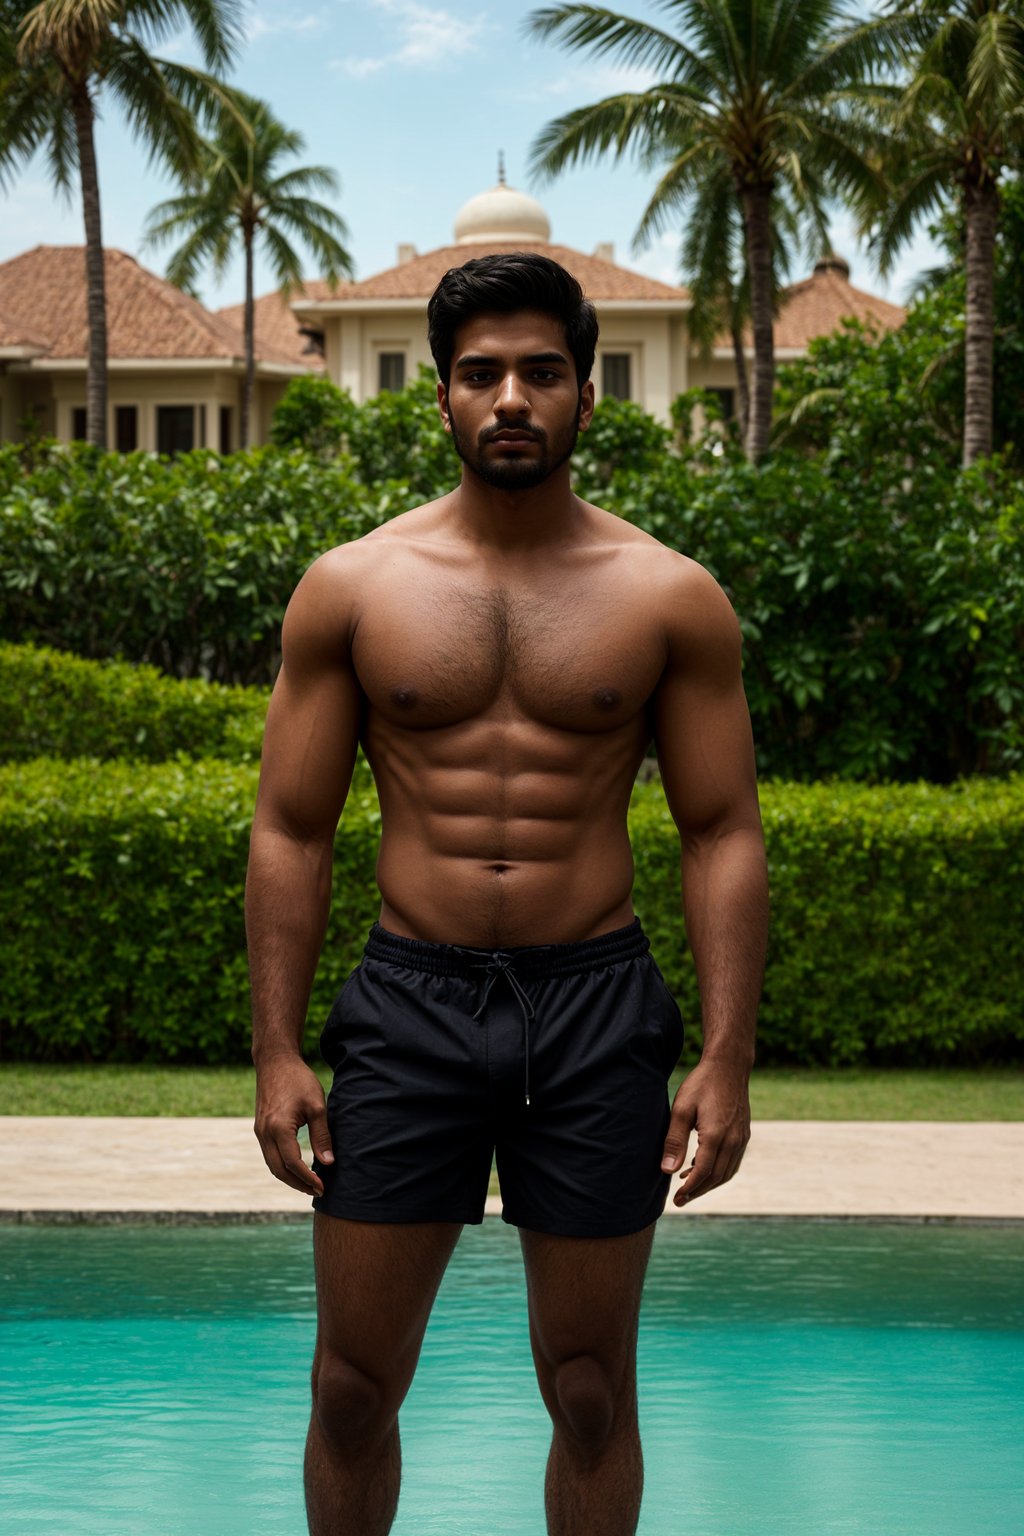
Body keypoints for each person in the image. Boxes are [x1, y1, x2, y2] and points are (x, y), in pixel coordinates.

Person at [246, 251, 770, 1536]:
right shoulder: (354, 586)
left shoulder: (668, 595)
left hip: (592, 1008)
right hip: (409, 1005)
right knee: (353, 1389)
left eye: (542, 371)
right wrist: (274, 1048)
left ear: (589, 395)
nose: (511, 398)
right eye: (479, 374)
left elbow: (720, 828)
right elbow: (291, 826)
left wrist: (726, 1056)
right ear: (440, 401)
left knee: (590, 1391)